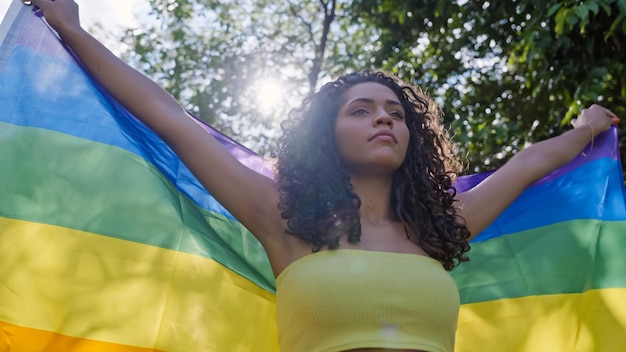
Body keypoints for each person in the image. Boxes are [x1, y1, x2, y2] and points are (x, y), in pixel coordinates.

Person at [30, 1, 620, 351]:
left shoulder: (441, 230)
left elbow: (526, 166)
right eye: (360, 111)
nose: (383, 119)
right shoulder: (283, 221)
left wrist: (586, 128)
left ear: (414, 139)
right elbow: (173, 122)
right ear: (326, 136)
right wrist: (74, 32)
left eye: (395, 114)